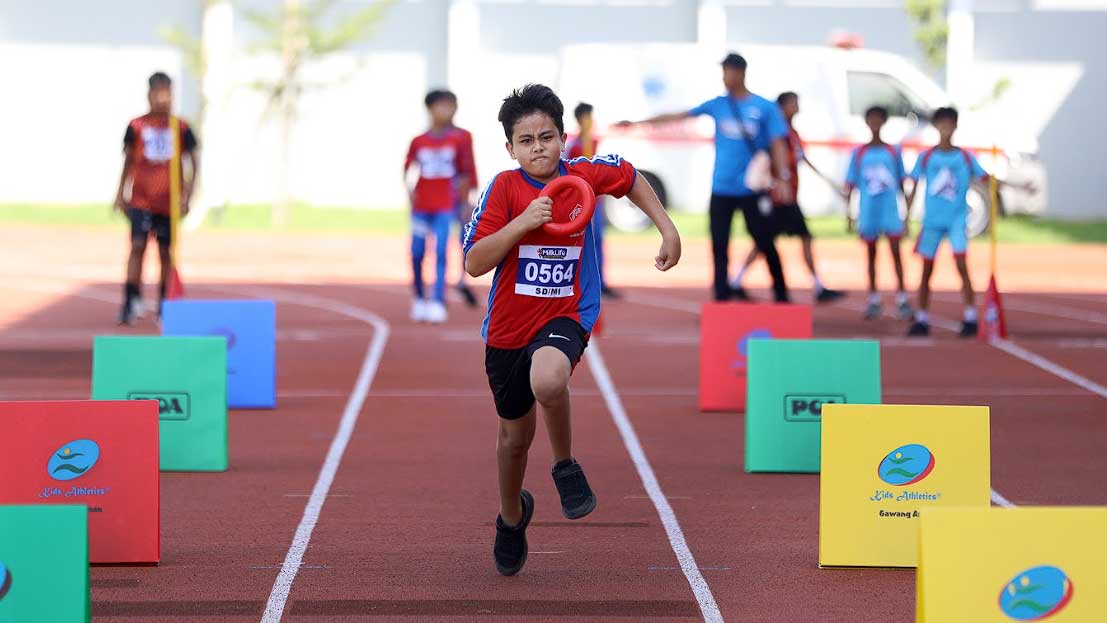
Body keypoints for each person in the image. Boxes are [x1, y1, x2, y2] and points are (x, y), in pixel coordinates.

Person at [463, 84, 680, 576]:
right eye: (526, 140)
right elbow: (475, 263)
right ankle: (511, 515)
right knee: (513, 441)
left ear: (564, 138)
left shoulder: (583, 174)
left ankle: (565, 465)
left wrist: (668, 229)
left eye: (546, 137)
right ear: (510, 148)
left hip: (567, 314)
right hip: (507, 330)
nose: (538, 148)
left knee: (549, 379)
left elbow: (630, 178)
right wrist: (522, 223)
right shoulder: (503, 188)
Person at [620, 53, 793, 302]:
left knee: (765, 240)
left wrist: (784, 176)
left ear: (741, 72)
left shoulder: (764, 108)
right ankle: (721, 296)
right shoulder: (718, 104)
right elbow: (679, 116)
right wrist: (637, 123)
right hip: (721, 188)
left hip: (752, 189)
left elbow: (778, 143)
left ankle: (781, 294)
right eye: (723, 72)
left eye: (728, 71)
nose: (725, 77)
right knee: (719, 244)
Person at [904, 106, 1031, 337]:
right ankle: (922, 317)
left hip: (957, 220)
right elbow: (912, 185)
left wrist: (1019, 187)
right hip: (932, 221)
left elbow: (987, 180)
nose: (945, 129)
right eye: (941, 124)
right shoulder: (927, 157)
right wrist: (906, 216)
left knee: (962, 266)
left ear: (955, 127)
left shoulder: (964, 157)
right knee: (926, 270)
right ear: (935, 127)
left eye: (949, 124)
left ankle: (970, 315)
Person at [729, 92, 845, 303]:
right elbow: (764, 162)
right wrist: (770, 185)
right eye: (793, 103)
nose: (797, 106)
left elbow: (803, 160)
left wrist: (831, 183)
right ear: (781, 107)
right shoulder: (774, 134)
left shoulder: (793, 134)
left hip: (789, 198)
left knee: (773, 241)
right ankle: (737, 281)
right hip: (777, 199)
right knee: (769, 241)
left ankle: (737, 281)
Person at [113, 71, 199, 325]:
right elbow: (128, 160)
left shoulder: (181, 128)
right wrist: (120, 193)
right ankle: (131, 300)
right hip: (141, 199)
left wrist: (188, 195)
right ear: (149, 94)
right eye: (158, 92)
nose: (163, 98)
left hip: (169, 201)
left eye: (168, 93)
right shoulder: (137, 126)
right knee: (137, 247)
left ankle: (165, 304)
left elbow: (193, 162)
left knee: (165, 252)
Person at [404, 89, 477, 323]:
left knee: (441, 250)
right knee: (416, 252)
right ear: (430, 109)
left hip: (446, 205)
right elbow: (408, 169)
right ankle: (418, 296)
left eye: (451, 106)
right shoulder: (419, 141)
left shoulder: (460, 138)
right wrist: (410, 195)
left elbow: (466, 171)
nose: (448, 111)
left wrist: (466, 201)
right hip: (421, 206)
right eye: (442, 106)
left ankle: (437, 299)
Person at [844, 105, 912, 319]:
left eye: (878, 119)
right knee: (871, 255)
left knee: (896, 253)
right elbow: (851, 184)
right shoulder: (859, 152)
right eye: (871, 119)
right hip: (868, 211)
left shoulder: (893, 151)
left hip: (889, 210)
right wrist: (849, 213)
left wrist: (907, 214)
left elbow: (902, 183)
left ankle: (902, 297)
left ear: (883, 122)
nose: (874, 124)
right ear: (866, 122)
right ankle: (873, 298)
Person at [564, 102, 619, 299]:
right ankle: (578, 282)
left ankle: (599, 281)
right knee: (580, 241)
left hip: (595, 200)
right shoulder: (574, 145)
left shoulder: (594, 143)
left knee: (597, 240)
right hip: (579, 202)